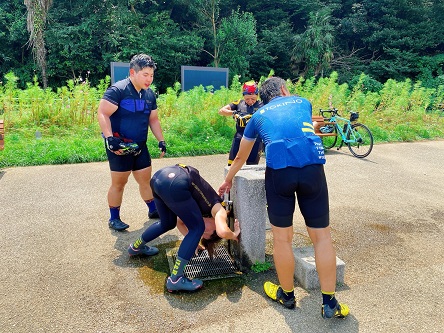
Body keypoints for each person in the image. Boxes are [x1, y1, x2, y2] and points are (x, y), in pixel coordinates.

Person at [218, 77, 349, 319]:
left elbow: (240, 157)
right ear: (284, 90)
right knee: (322, 238)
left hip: (279, 174)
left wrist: (228, 180)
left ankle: (287, 295)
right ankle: (329, 302)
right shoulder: (302, 102)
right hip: (312, 171)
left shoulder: (257, 117)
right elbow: (302, 127)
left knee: (282, 238)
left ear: (263, 98)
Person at [128, 164, 240, 292]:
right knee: (197, 228)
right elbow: (223, 232)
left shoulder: (203, 211)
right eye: (206, 233)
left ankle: (136, 247)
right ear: (215, 227)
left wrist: (193, 243)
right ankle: (175, 279)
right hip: (176, 181)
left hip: (159, 178)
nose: (202, 233)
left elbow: (179, 222)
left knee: (168, 223)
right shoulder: (219, 210)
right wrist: (235, 234)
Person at [98, 54, 166, 231]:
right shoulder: (118, 90)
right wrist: (109, 138)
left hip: (140, 146)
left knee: (145, 180)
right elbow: (103, 113)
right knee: (119, 183)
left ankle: (152, 210)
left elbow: (154, 120)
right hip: (120, 146)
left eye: (151, 75)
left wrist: (161, 140)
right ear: (132, 72)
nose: (149, 79)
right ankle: (114, 218)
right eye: (145, 74)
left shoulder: (149, 94)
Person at [218, 81, 264, 166]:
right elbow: (221, 111)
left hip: (256, 140)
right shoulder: (239, 103)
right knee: (231, 165)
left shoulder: (262, 105)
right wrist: (234, 113)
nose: (250, 101)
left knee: (252, 167)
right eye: (247, 99)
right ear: (243, 96)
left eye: (253, 99)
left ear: (257, 95)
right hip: (239, 138)